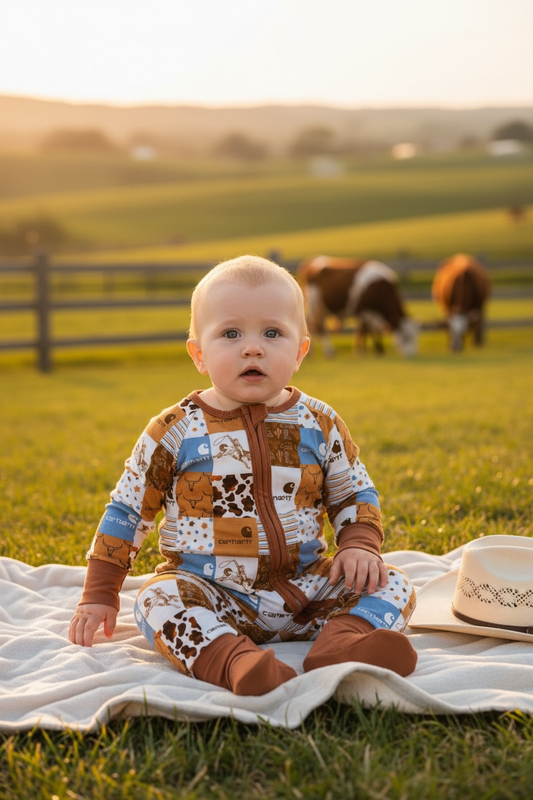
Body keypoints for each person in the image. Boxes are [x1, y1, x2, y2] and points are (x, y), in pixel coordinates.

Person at [69, 255, 417, 695]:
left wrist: (359, 545)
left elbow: (353, 492)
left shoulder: (319, 423)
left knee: (394, 583)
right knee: (156, 601)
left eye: (272, 333)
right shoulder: (175, 430)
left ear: (300, 351)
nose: (252, 347)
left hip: (305, 591)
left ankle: (342, 645)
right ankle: (236, 662)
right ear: (199, 353)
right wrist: (100, 592)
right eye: (230, 334)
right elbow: (127, 509)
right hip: (210, 591)